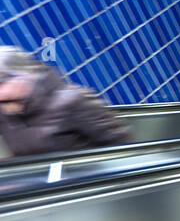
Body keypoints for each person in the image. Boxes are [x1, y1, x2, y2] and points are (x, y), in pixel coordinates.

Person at [0, 47, 131, 157]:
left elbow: (121, 145)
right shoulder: (5, 111)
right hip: (35, 181)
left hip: (80, 182)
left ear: (23, 77)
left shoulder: (74, 101)